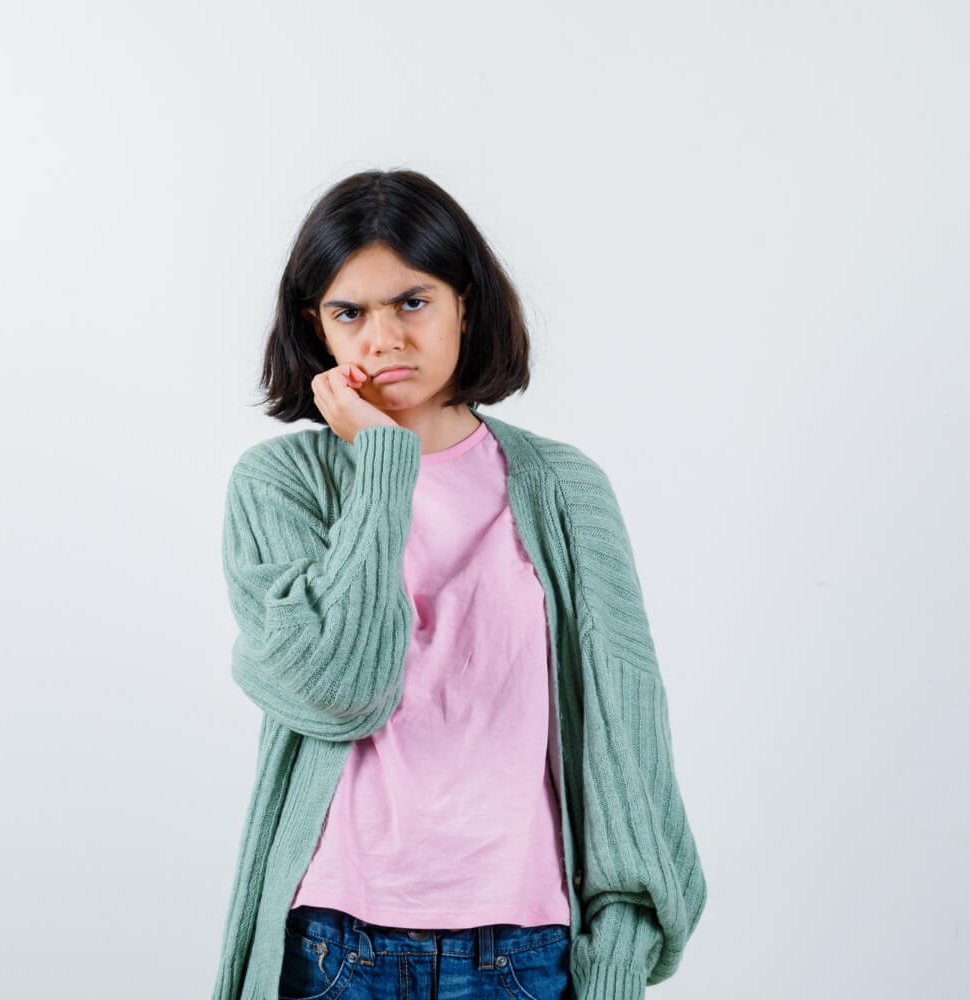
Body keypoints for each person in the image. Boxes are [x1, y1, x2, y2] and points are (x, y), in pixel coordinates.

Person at [212, 169, 706, 1000]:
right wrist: (381, 462)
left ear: (466, 304)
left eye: (413, 301)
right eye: (349, 312)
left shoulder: (561, 488)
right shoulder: (280, 486)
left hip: (522, 947)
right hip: (335, 943)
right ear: (317, 326)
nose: (382, 338)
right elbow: (339, 690)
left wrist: (621, 945)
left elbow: (627, 730)